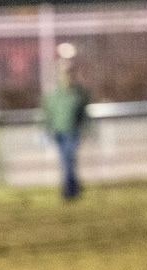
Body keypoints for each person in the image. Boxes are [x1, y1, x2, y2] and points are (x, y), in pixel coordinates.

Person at [42, 59, 90, 201]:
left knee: (69, 159)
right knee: (66, 161)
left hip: (73, 132)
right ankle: (72, 188)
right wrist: (45, 130)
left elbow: (83, 114)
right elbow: (47, 113)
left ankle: (69, 190)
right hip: (59, 133)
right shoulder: (55, 94)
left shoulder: (78, 93)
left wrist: (86, 129)